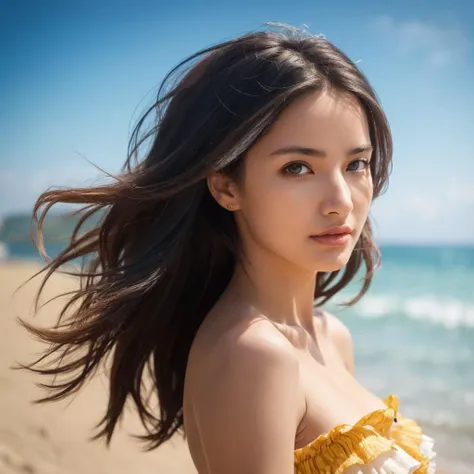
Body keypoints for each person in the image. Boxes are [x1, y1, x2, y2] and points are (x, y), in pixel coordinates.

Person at [21, 24, 436, 474]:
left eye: (356, 164)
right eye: (298, 168)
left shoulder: (331, 336)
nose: (340, 202)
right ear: (225, 186)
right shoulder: (253, 354)